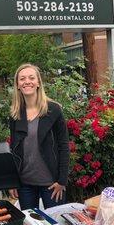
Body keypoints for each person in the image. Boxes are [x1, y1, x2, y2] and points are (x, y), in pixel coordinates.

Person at [9, 63, 70, 210]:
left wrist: (62, 181)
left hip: (51, 184)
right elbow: (14, 150)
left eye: (31, 77)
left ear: (38, 83)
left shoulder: (53, 110)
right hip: (25, 184)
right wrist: (12, 182)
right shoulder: (15, 114)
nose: (27, 81)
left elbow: (64, 146)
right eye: (22, 79)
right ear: (17, 85)